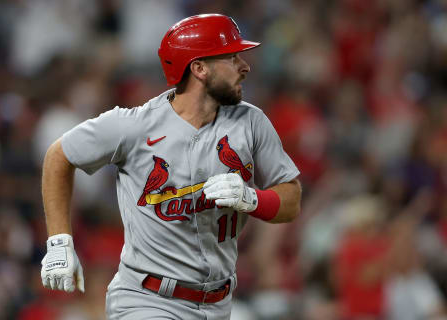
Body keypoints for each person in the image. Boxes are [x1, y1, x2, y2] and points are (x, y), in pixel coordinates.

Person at [40, 13, 302, 320]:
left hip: (218, 303)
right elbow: (59, 155)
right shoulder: (135, 126)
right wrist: (59, 241)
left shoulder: (251, 121)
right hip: (148, 300)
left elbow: (292, 199)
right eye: (231, 58)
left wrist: (252, 199)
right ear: (199, 68)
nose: (245, 67)